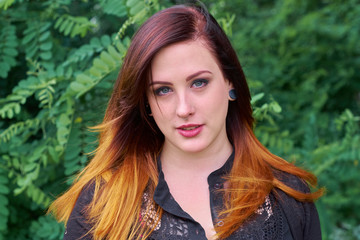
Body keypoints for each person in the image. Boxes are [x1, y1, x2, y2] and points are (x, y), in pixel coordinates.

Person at [49, 3, 323, 240]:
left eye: (199, 83)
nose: (183, 109)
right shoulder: (100, 203)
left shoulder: (287, 195)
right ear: (145, 101)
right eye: (163, 90)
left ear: (230, 82)